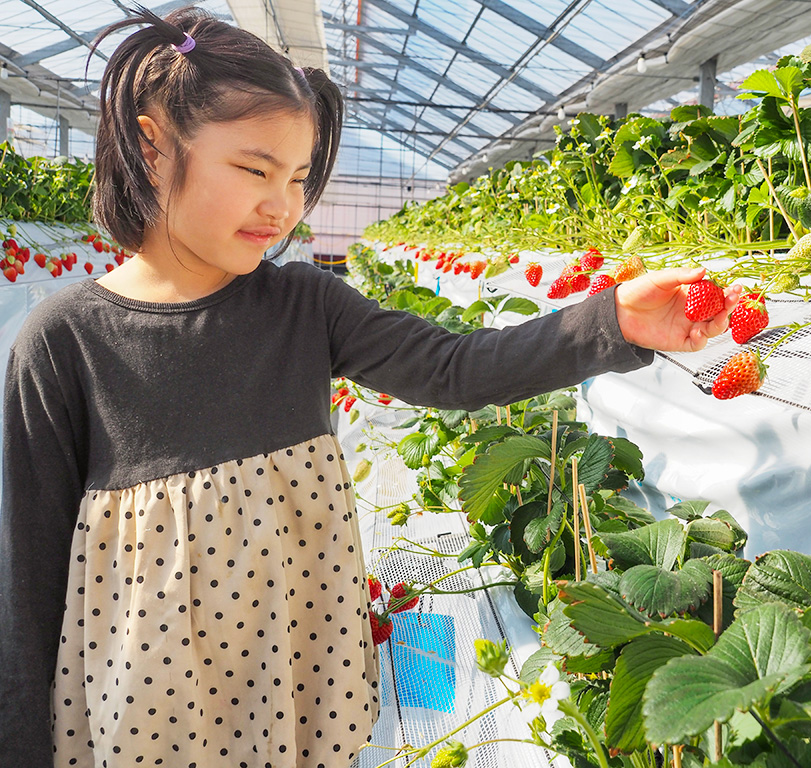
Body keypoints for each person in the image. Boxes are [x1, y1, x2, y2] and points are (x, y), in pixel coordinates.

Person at [0, 7, 741, 768]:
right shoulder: (64, 343)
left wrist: (612, 320)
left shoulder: (305, 307)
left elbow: (455, 368)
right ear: (153, 147)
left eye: (297, 178)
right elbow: (28, 583)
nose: (282, 206)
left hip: (289, 676)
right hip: (149, 707)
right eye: (255, 170)